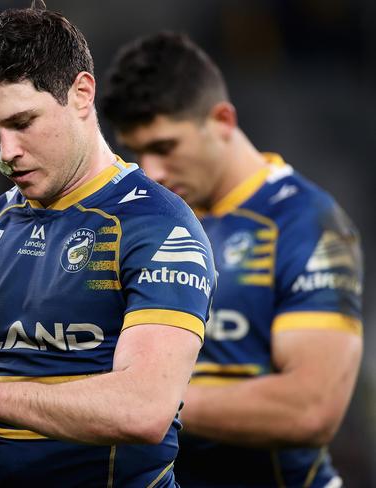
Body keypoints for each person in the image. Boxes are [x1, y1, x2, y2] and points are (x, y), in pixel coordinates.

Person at [0, 8, 216, 487]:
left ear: (81, 94)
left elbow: (144, 411)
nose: (6, 152)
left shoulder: (158, 227)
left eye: (22, 122)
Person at [101, 32, 363, 488]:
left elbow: (311, 408)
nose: (152, 170)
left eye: (165, 147)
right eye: (137, 152)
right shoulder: (143, 221)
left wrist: (149, 402)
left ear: (222, 120)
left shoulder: (306, 221)